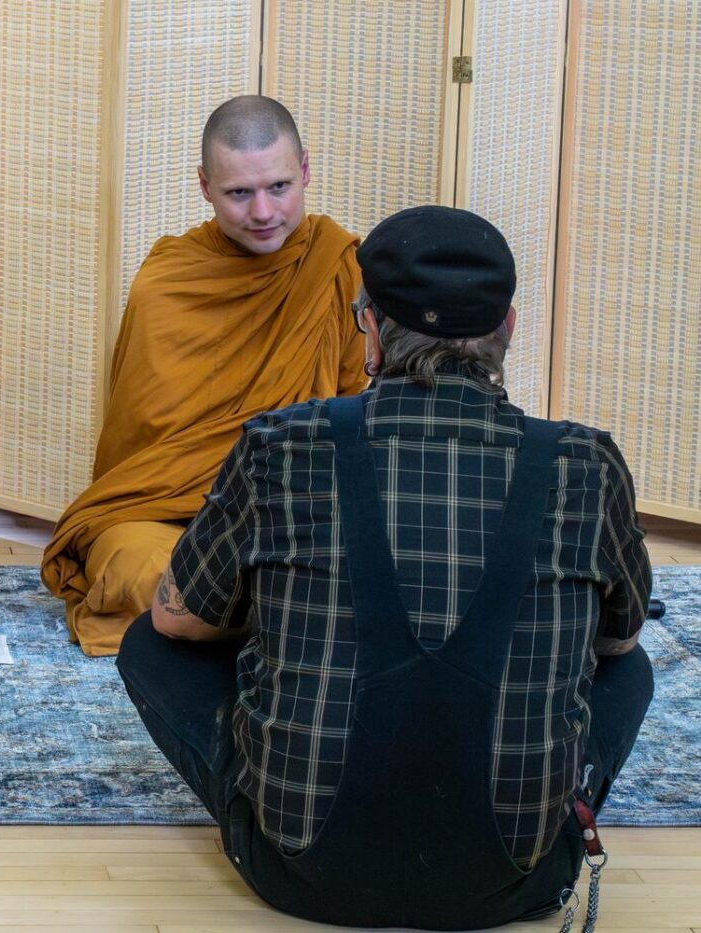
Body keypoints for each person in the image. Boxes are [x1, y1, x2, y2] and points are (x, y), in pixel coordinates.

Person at [117, 205, 654, 929]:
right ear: (510, 329)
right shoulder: (585, 462)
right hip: (517, 879)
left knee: (151, 642)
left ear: (368, 326)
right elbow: (616, 643)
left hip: (300, 875)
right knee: (635, 666)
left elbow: (177, 616)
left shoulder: (281, 444)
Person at [41, 95, 366, 656]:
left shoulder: (340, 267)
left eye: (280, 187)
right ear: (205, 185)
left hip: (294, 512)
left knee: (365, 559)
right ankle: (288, 618)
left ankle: (235, 614)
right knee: (135, 567)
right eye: (239, 193)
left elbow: (359, 416)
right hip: (170, 522)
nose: (263, 212)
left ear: (306, 171)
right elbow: (142, 448)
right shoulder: (170, 282)